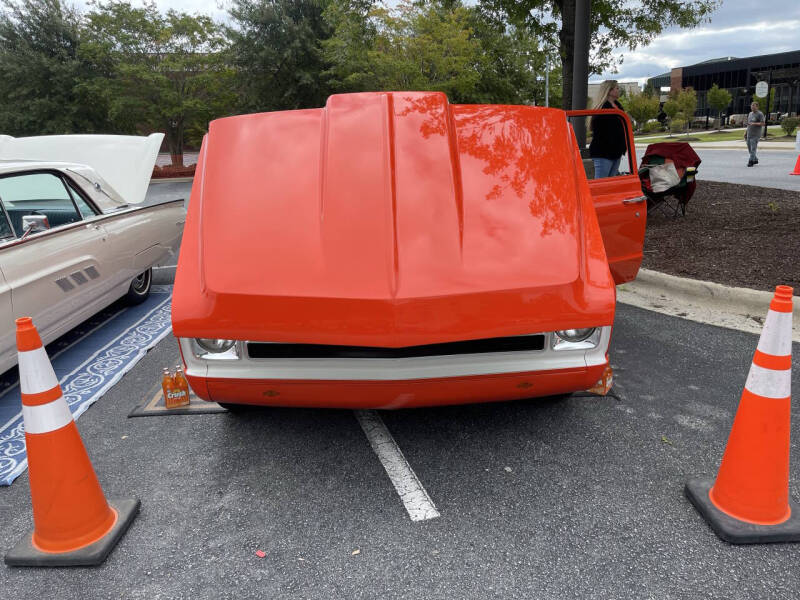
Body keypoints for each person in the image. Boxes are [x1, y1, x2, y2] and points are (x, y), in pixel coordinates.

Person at [589, 80, 628, 178]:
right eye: (617, 88)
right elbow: (603, 131)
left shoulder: (618, 106)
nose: (619, 90)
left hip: (616, 151)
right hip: (603, 152)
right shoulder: (602, 108)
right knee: (601, 183)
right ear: (609, 91)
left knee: (611, 183)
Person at [745, 101, 765, 167]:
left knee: (753, 148)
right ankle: (755, 159)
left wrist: (754, 123)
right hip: (749, 134)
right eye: (751, 106)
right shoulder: (750, 114)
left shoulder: (760, 114)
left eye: (754, 106)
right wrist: (746, 132)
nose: (752, 107)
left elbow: (763, 123)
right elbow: (748, 124)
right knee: (749, 148)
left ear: (757, 107)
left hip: (756, 134)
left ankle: (751, 161)